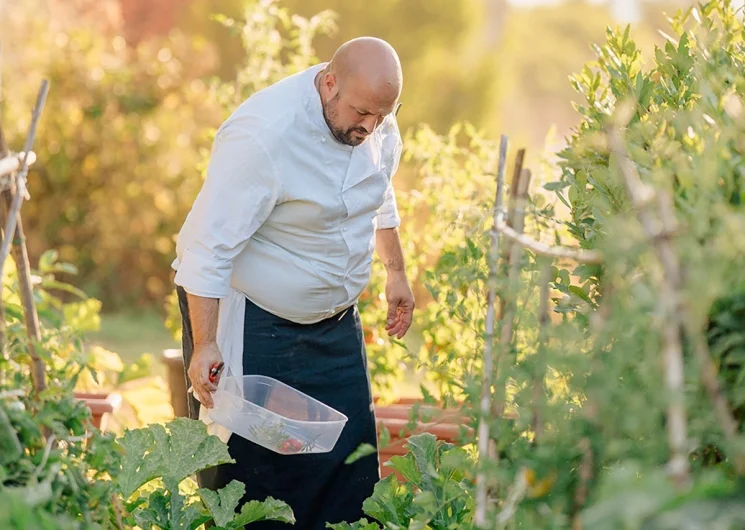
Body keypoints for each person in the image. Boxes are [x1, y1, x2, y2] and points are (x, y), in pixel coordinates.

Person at [171, 36, 415, 529]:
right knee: (258, 483)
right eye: (361, 113)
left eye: (382, 117)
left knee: (350, 471)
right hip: (259, 325)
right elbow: (205, 247)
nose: (370, 127)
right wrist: (204, 344)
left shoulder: (373, 119)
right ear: (329, 83)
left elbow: (379, 191)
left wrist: (396, 272)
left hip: (336, 329)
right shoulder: (263, 134)